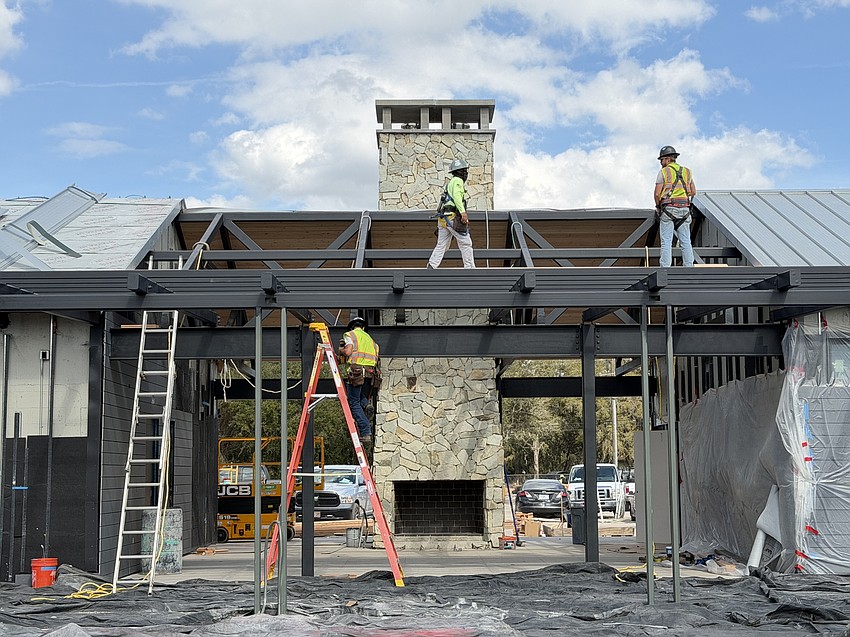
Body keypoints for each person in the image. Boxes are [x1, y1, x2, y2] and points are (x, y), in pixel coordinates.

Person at [338, 316, 380, 444]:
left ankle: (366, 431)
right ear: (363, 327)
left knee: (353, 402)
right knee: (360, 396)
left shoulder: (350, 335)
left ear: (352, 327)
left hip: (357, 372)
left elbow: (348, 351)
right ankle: (366, 405)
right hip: (370, 373)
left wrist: (341, 350)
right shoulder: (371, 340)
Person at [427, 158, 476, 269]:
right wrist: (463, 213)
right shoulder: (458, 181)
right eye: (464, 171)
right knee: (465, 243)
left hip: (443, 219)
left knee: (442, 244)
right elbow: (457, 197)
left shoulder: (450, 183)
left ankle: (431, 266)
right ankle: (470, 268)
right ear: (460, 172)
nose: (465, 173)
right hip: (452, 218)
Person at [654, 145, 696, 268]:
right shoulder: (687, 172)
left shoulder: (664, 172)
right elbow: (693, 192)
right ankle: (689, 267)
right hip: (685, 210)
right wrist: (681, 194)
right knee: (686, 241)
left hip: (669, 209)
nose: (661, 163)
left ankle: (665, 268)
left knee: (666, 241)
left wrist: (658, 206)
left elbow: (657, 194)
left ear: (667, 159)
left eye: (662, 160)